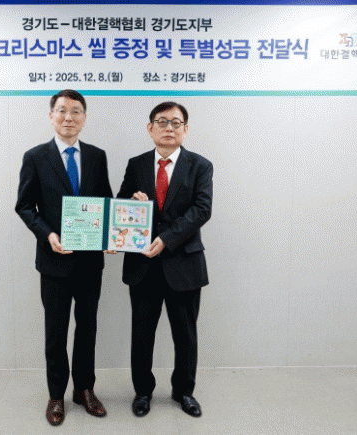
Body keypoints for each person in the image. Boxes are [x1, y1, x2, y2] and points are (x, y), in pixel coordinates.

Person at [15, 89, 113, 426]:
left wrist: (110, 234)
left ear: (84, 118)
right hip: (54, 260)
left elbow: (105, 201)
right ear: (51, 116)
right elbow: (24, 206)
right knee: (56, 332)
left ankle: (84, 390)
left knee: (87, 329)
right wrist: (47, 234)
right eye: (61, 110)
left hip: (90, 261)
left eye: (75, 111)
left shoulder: (97, 156)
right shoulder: (35, 157)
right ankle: (56, 394)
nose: (68, 117)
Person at [117, 102, 213, 418]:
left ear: (185, 129)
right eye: (162, 122)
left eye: (176, 122)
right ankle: (142, 392)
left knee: (185, 335)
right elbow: (120, 205)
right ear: (150, 128)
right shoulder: (136, 165)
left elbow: (202, 210)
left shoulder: (200, 166)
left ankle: (184, 391)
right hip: (143, 264)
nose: (169, 128)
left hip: (183, 263)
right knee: (142, 334)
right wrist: (131, 202)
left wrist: (167, 239)